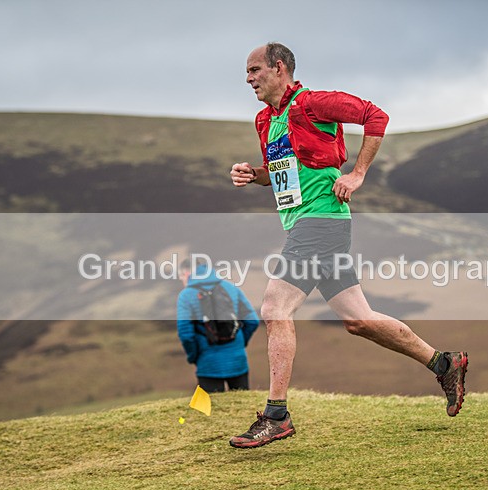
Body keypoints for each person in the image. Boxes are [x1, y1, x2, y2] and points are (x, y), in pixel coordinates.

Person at [228, 43, 469, 448]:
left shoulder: (315, 103)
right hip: (307, 226)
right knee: (359, 319)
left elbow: (376, 116)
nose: (248, 78)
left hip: (321, 223)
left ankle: (277, 415)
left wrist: (357, 173)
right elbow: (281, 171)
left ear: (279, 67)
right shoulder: (265, 120)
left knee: (274, 309)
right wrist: (253, 174)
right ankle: (445, 364)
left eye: (254, 70)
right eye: (247, 73)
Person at [177, 258, 259, 393]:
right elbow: (252, 320)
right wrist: (240, 342)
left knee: (211, 410)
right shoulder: (231, 288)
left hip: (208, 364)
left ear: (187, 273)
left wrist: (194, 356)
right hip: (238, 360)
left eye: (181, 276)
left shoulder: (186, 296)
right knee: (242, 407)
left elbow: (186, 334)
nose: (182, 280)